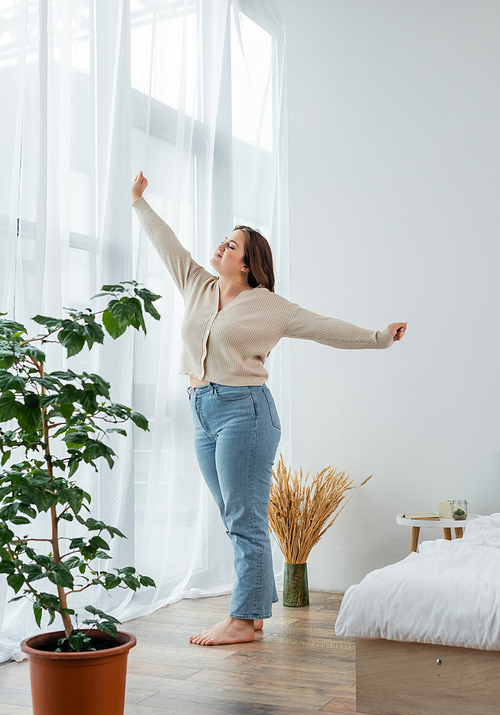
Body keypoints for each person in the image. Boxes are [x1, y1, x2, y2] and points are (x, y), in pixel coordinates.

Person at [130, 171, 407, 646]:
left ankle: (243, 621)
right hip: (201, 409)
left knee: (244, 516)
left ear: (250, 263)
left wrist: (379, 338)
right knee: (233, 515)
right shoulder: (197, 284)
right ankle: (253, 614)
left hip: (246, 413)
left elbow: (324, 327)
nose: (222, 246)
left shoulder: (269, 305)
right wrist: (139, 202)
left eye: (233, 245)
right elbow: (167, 244)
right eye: (224, 240)